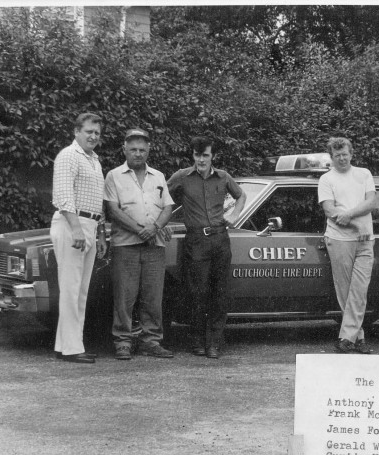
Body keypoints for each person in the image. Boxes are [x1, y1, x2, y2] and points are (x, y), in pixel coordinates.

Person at [167, 136, 246, 359]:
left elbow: (241, 196)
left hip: (220, 239)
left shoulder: (223, 177)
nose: (201, 159)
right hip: (196, 241)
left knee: (219, 292)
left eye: (205, 155)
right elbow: (162, 197)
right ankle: (197, 341)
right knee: (197, 292)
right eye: (197, 155)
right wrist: (159, 221)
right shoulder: (181, 177)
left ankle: (214, 343)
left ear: (213, 156)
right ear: (192, 155)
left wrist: (234, 214)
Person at [104, 128, 175, 360]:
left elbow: (167, 207)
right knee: (125, 296)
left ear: (148, 150)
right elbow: (113, 209)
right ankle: (123, 341)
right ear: (124, 149)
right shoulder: (114, 175)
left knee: (153, 296)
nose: (137, 153)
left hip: (154, 246)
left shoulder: (159, 176)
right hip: (125, 245)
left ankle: (151, 341)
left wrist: (153, 228)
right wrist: (139, 230)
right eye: (133, 149)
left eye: (142, 149)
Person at [50, 112, 107, 364]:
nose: (93, 136)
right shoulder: (68, 156)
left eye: (97, 133)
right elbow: (63, 196)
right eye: (88, 132)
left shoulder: (95, 160)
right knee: (71, 288)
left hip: (90, 224)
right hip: (71, 223)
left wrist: (100, 232)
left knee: (80, 290)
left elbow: (97, 201)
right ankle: (73, 348)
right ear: (76, 132)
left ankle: (67, 345)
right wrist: (75, 230)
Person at [318, 137, 376, 354]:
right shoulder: (326, 179)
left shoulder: (364, 174)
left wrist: (350, 215)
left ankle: (347, 337)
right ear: (331, 157)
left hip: (365, 240)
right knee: (345, 290)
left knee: (359, 290)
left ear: (351, 154)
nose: (342, 158)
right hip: (339, 239)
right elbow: (329, 211)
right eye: (337, 155)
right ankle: (357, 338)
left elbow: (372, 202)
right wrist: (355, 225)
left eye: (345, 154)